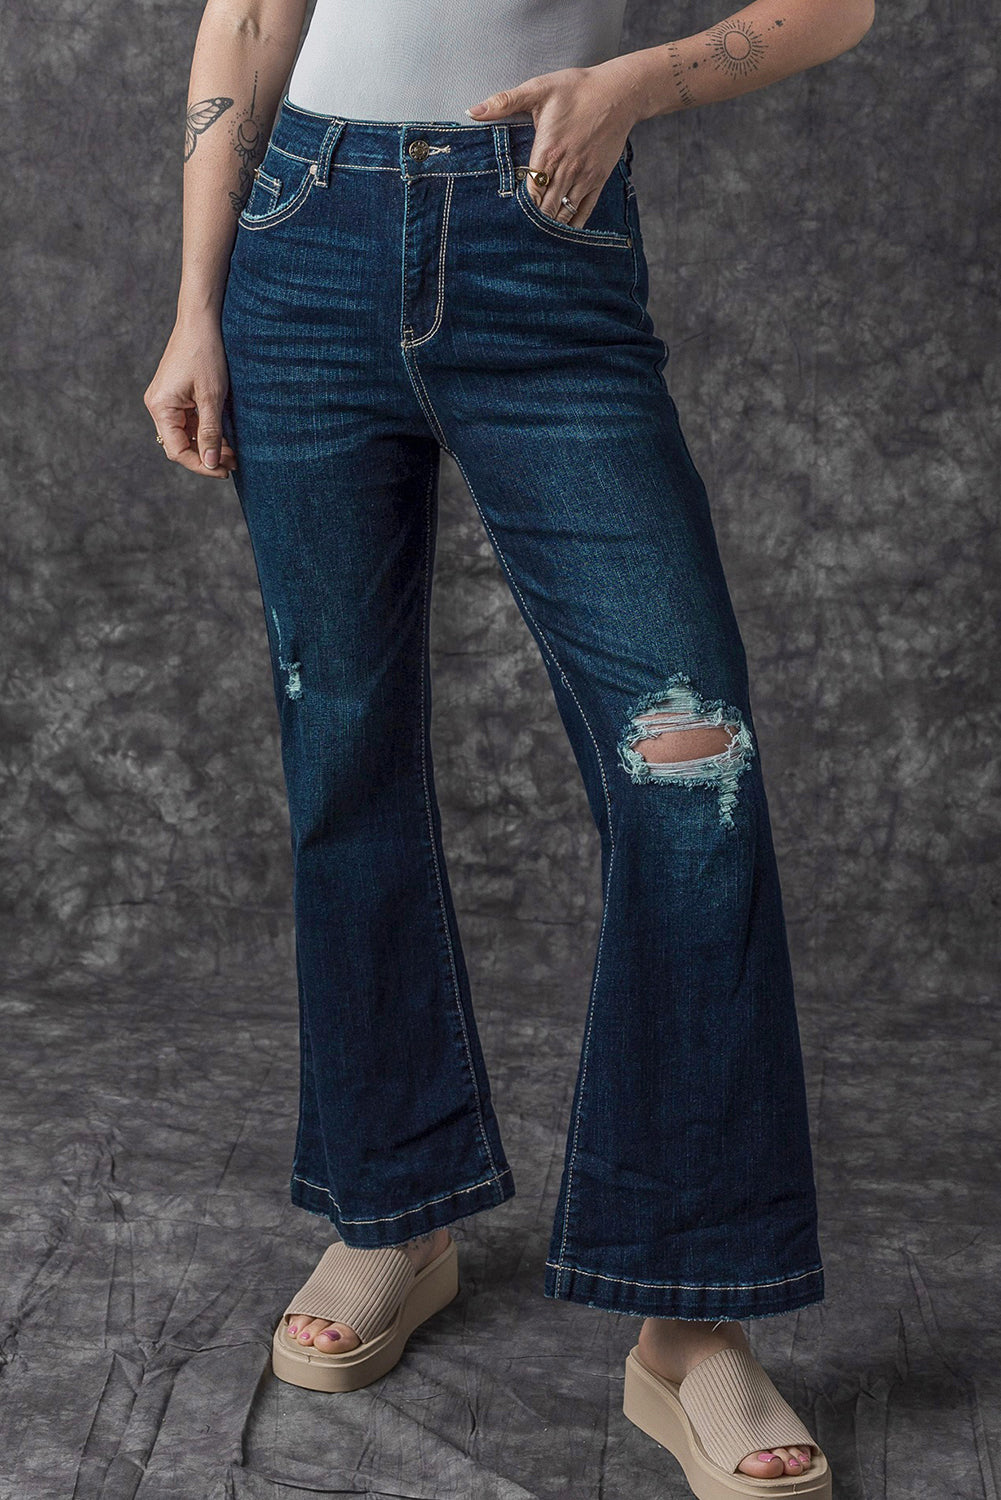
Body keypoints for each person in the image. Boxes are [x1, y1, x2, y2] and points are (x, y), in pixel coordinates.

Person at [145, 2, 873, 1495]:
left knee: (689, 765)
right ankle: (389, 1210)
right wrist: (196, 302)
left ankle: (690, 1316)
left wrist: (634, 87)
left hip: (541, 236)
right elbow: (254, 14)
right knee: (342, 749)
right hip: (302, 234)